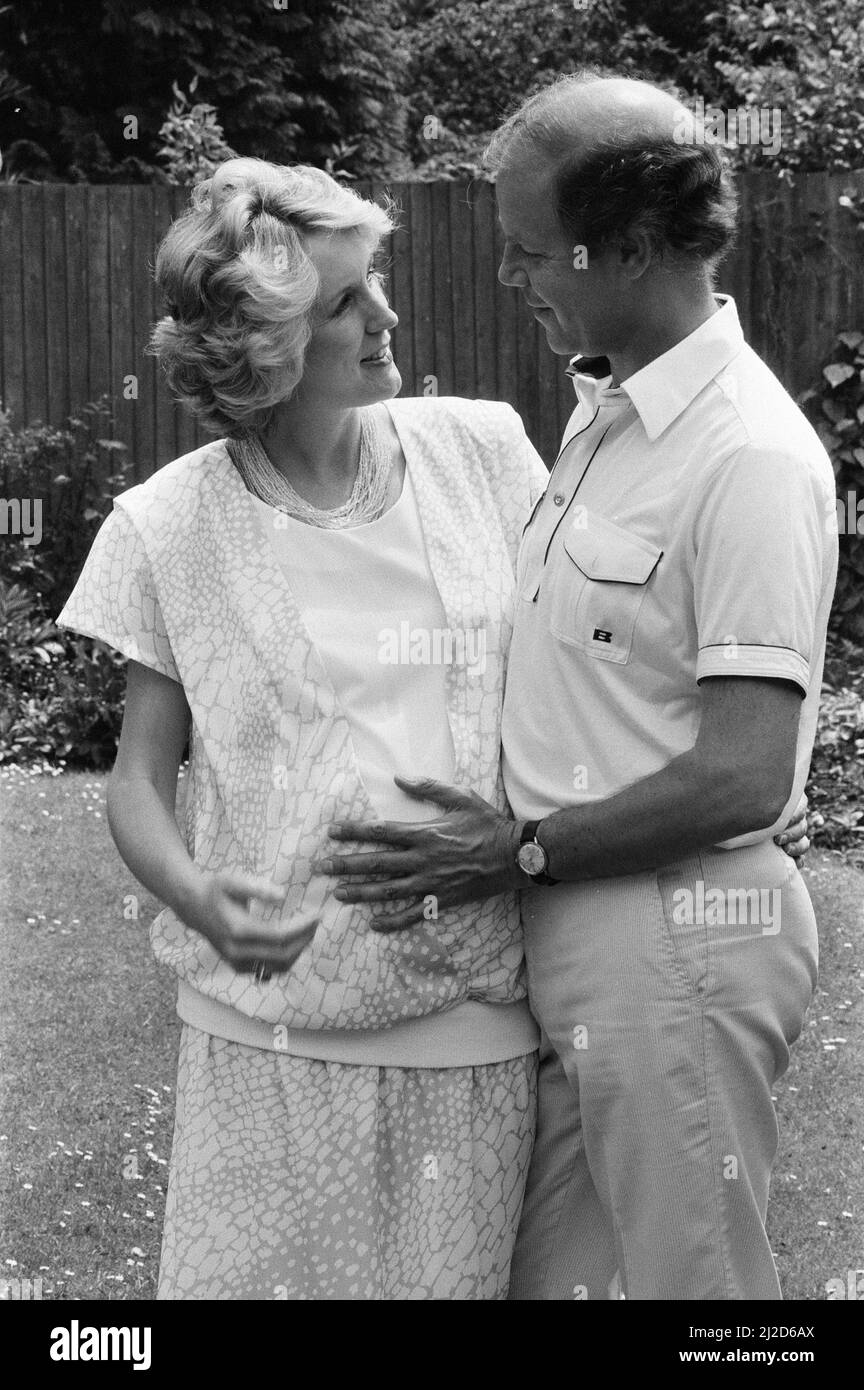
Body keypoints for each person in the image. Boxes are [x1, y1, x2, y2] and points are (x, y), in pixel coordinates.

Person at [316, 73, 837, 1300]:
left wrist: (519, 852)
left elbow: (744, 770)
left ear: (636, 246)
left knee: (699, 1298)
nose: (511, 278)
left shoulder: (747, 455)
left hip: (678, 937)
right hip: (587, 933)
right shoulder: (608, 419)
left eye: (531, 251)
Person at [55, 157, 546, 1300]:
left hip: (471, 1029)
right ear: (264, 353)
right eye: (344, 303)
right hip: (264, 1041)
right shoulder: (169, 525)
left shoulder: (485, 451)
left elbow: (576, 683)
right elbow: (138, 774)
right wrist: (192, 893)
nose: (385, 315)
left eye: (372, 282)